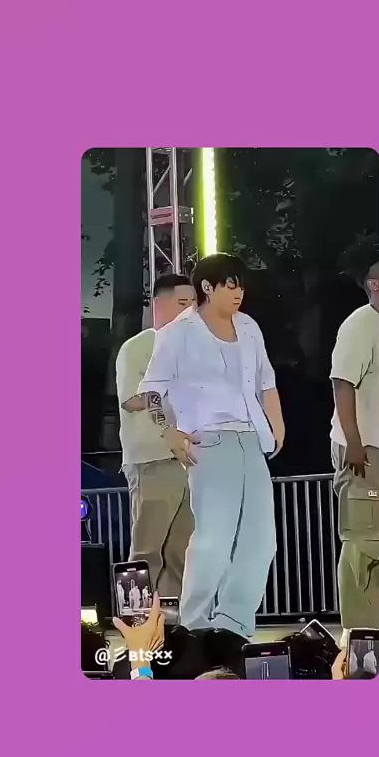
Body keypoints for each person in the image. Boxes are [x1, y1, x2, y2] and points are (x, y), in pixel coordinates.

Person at [138, 253, 285, 639]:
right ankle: (196, 626)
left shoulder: (248, 327)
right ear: (208, 287)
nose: (239, 293)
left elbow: (265, 381)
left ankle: (233, 625)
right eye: (230, 285)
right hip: (210, 440)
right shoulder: (178, 333)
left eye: (241, 285)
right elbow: (152, 391)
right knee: (213, 539)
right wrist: (169, 432)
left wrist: (277, 425)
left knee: (261, 541)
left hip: (251, 437)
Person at [116, 274, 195, 597]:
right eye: (183, 303)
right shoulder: (138, 347)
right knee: (147, 549)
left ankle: (175, 618)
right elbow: (132, 399)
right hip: (153, 459)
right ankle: (136, 618)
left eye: (194, 303)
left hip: (189, 459)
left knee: (182, 551)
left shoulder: (194, 349)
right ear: (159, 305)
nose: (191, 310)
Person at [330, 233, 379, 645]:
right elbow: (342, 382)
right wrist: (354, 441)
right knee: (364, 541)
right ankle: (361, 639)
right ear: (375, 284)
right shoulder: (360, 324)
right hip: (366, 450)